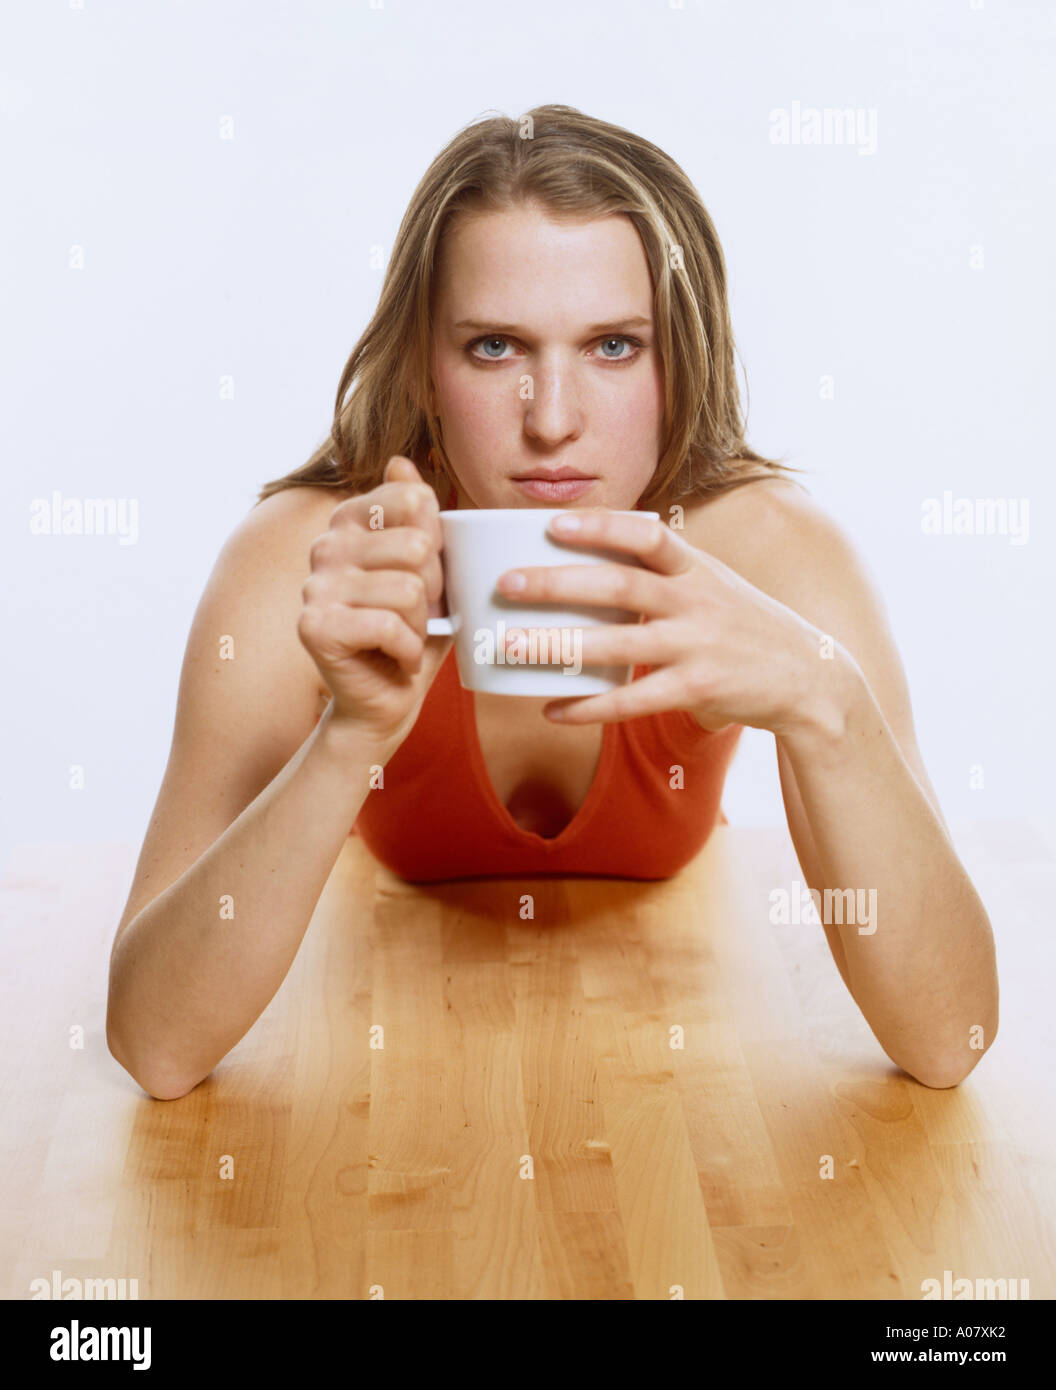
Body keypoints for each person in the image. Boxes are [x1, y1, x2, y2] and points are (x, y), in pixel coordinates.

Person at [106, 105, 998, 1101]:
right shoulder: (315, 562)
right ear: (424, 370)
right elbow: (156, 1045)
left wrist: (825, 699)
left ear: (680, 363)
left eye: (614, 346)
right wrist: (346, 737)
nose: (555, 422)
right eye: (495, 348)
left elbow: (949, 1036)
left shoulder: (770, 554)